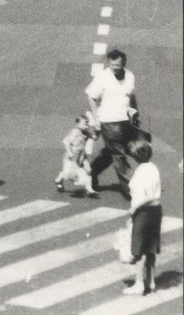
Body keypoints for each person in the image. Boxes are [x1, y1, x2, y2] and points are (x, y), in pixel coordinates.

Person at [87, 47, 139, 199]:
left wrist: (135, 113)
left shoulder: (130, 75)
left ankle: (91, 172)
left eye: (118, 66)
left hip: (125, 121)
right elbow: (91, 96)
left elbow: (130, 95)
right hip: (109, 121)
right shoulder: (102, 77)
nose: (115, 69)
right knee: (118, 154)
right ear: (109, 64)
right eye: (112, 66)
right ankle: (129, 189)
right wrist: (96, 119)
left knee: (114, 152)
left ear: (124, 64)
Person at [124, 138, 161, 296]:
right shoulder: (153, 167)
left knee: (138, 250)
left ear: (134, 155)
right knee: (151, 248)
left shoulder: (141, 172)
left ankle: (139, 283)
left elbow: (146, 196)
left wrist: (133, 209)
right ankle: (151, 282)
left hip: (143, 212)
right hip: (156, 211)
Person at [55, 113, 99, 196]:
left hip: (82, 155)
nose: (87, 125)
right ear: (77, 124)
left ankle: (89, 190)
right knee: (69, 172)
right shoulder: (74, 132)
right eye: (85, 124)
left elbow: (95, 138)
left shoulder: (86, 132)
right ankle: (58, 179)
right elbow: (66, 142)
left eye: (87, 123)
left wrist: (98, 130)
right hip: (72, 156)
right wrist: (69, 152)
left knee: (89, 170)